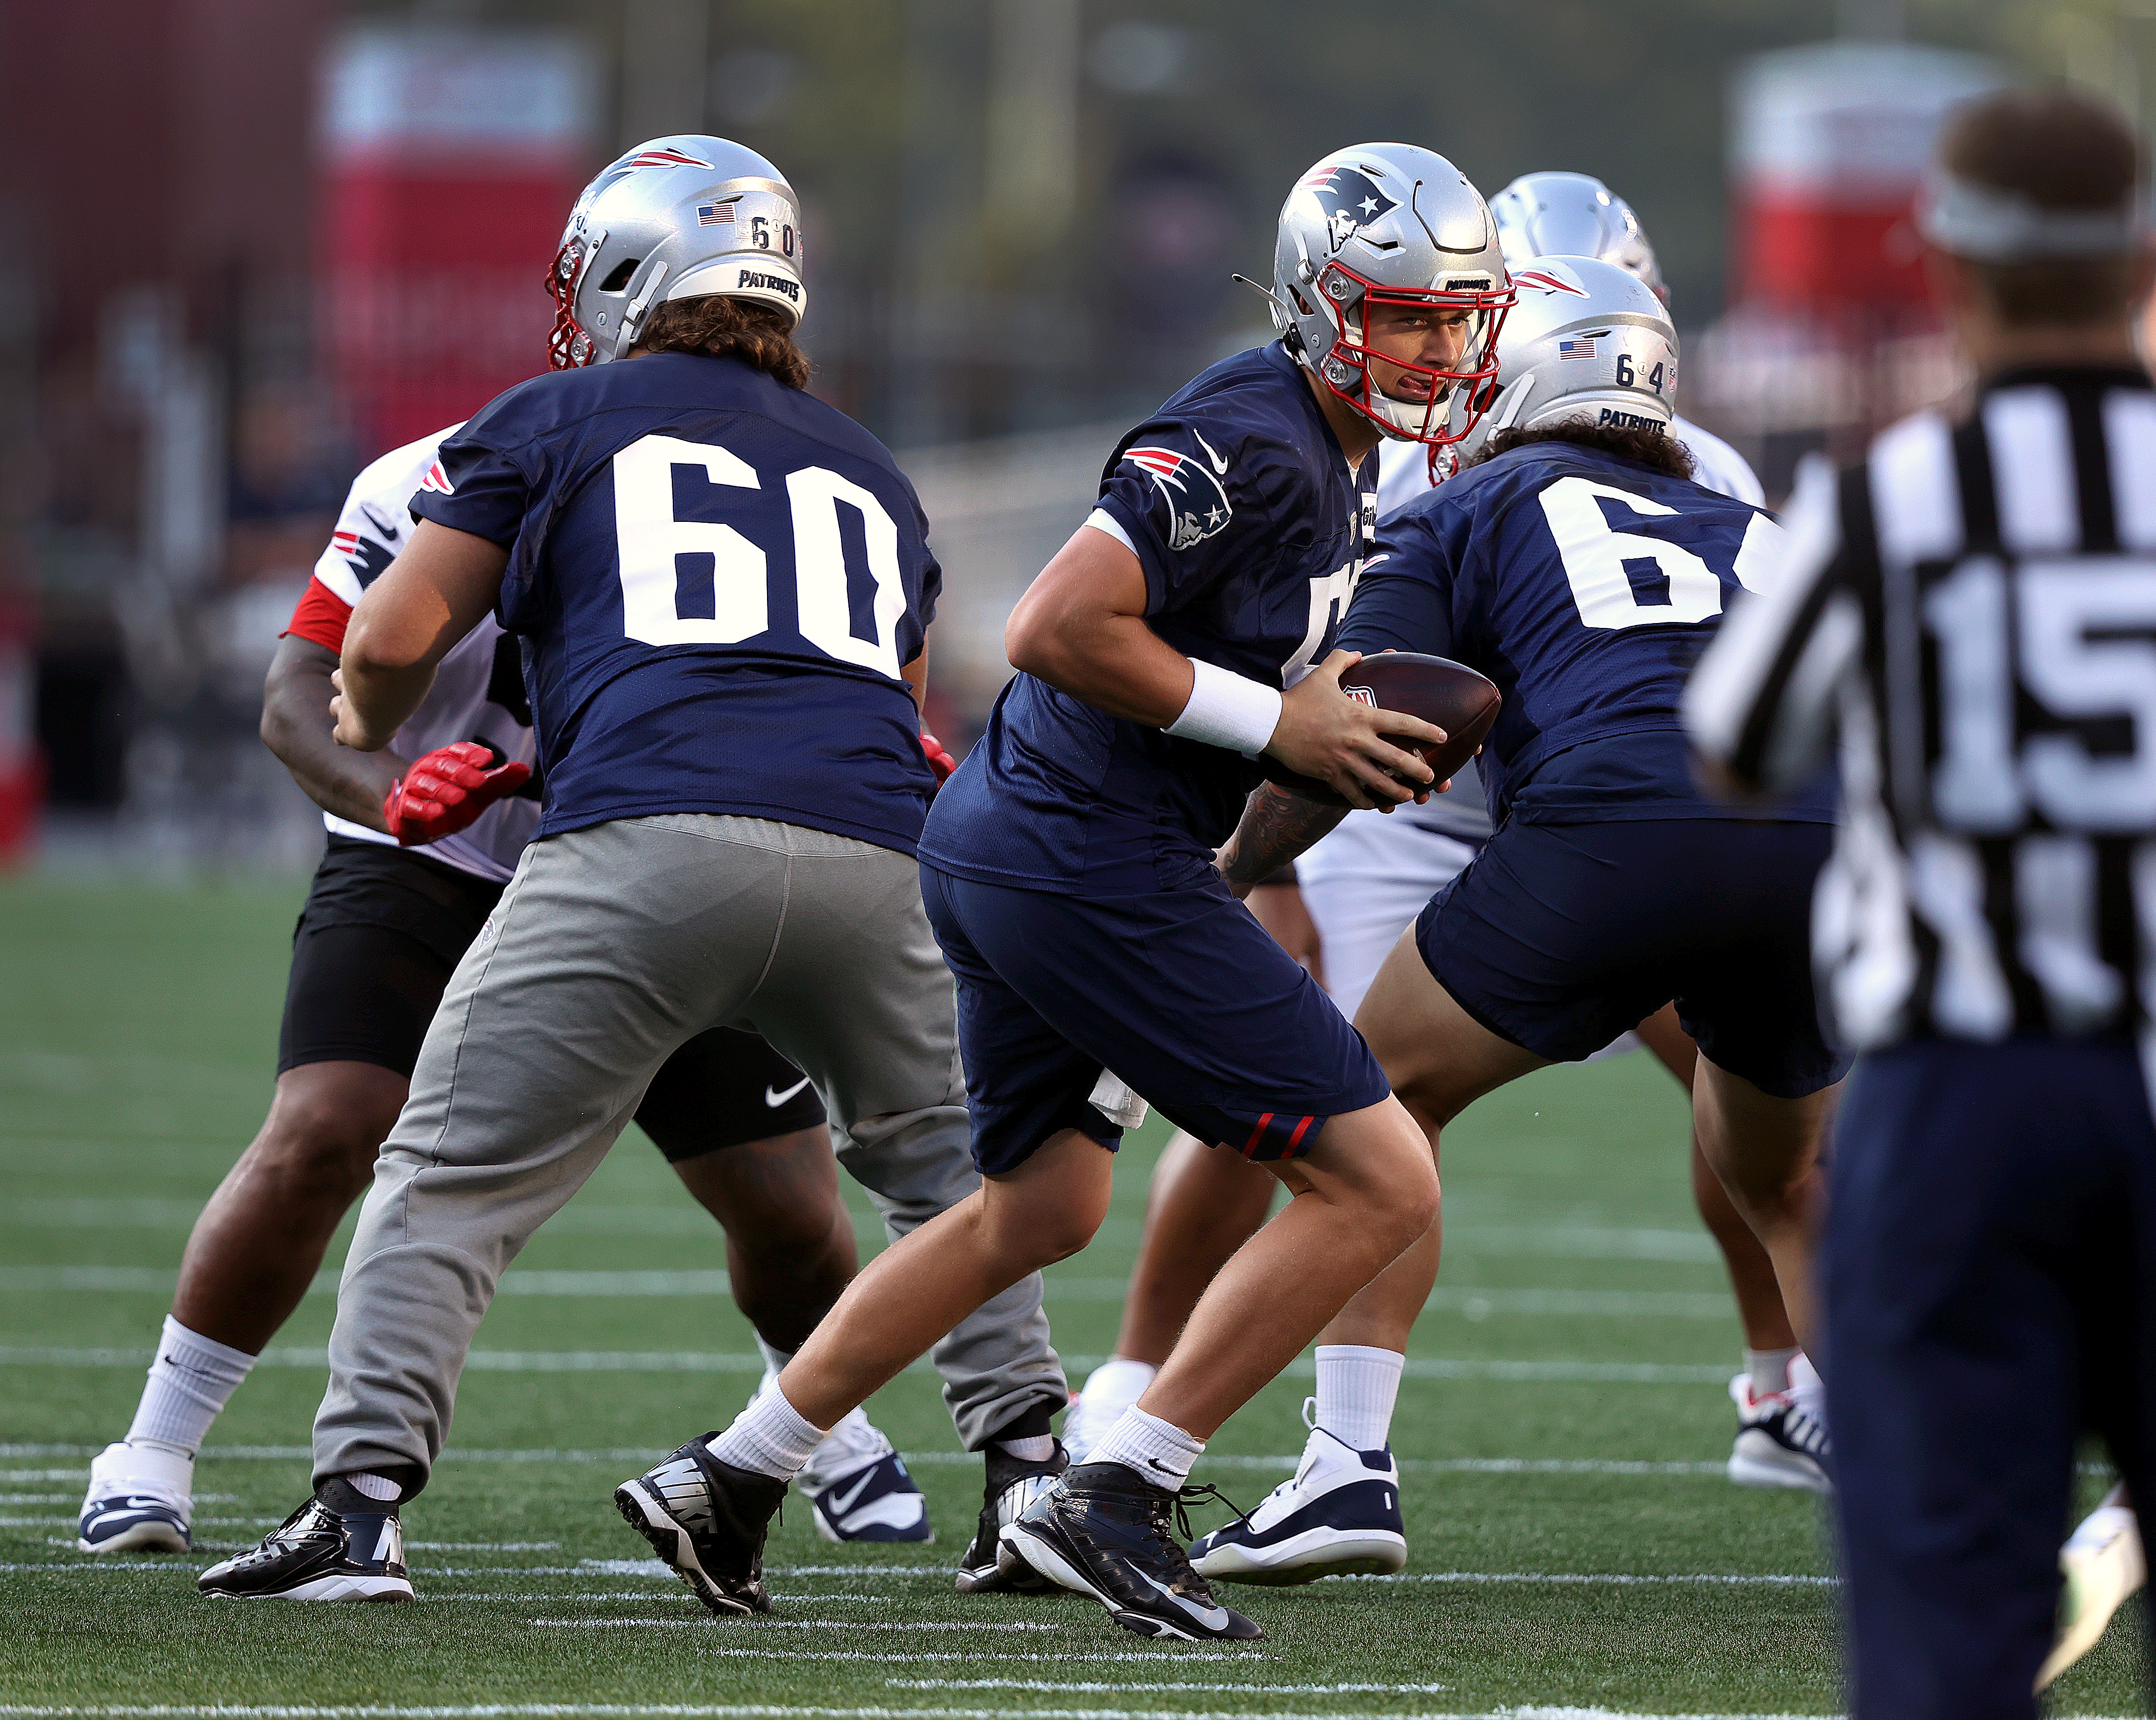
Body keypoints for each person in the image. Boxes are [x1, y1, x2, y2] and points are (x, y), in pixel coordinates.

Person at [612, 142, 1510, 1642]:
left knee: (1036, 1206)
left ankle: (736, 1476)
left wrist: (1306, 754)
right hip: (1078, 856)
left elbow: (1213, 690)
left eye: (1456, 316)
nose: (1436, 345)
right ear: (1315, 304)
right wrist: (1279, 723)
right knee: (1380, 1178)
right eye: (1403, 314)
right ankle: (1118, 1488)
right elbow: (1053, 623)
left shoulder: (1327, 453)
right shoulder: (1255, 432)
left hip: (1031, 846)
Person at [193, 135, 1067, 1605]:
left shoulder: (556, 414)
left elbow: (394, 638)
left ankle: (357, 1513)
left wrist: (374, 728)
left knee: (447, 1179)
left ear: (624, 275)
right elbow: (901, 699)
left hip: (649, 846)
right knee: (961, 1183)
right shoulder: (868, 461)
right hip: (881, 860)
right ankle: (1032, 1477)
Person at [1685, 86, 2156, 1718]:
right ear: (2146, 262)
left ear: (1947, 268)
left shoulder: (1888, 503)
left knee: (1953, 1589)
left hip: (1956, 1089)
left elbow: (1736, 750)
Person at [1066, 173, 1828, 1502]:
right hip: (1774, 824)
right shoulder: (1733, 496)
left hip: (1550, 802)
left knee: (1362, 1104)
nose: (1448, 346)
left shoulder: (1459, 474)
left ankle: (1298, 1456)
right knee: (1788, 1152)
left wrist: (1239, 865)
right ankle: (1901, 1461)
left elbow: (1347, 709)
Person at [76, 422, 937, 1558]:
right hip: (431, 851)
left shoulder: (774, 474)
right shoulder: (434, 475)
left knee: (783, 1200)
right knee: (328, 1124)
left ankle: (824, 1416)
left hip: (653, 852)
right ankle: (154, 1443)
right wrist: (388, 789)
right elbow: (299, 692)